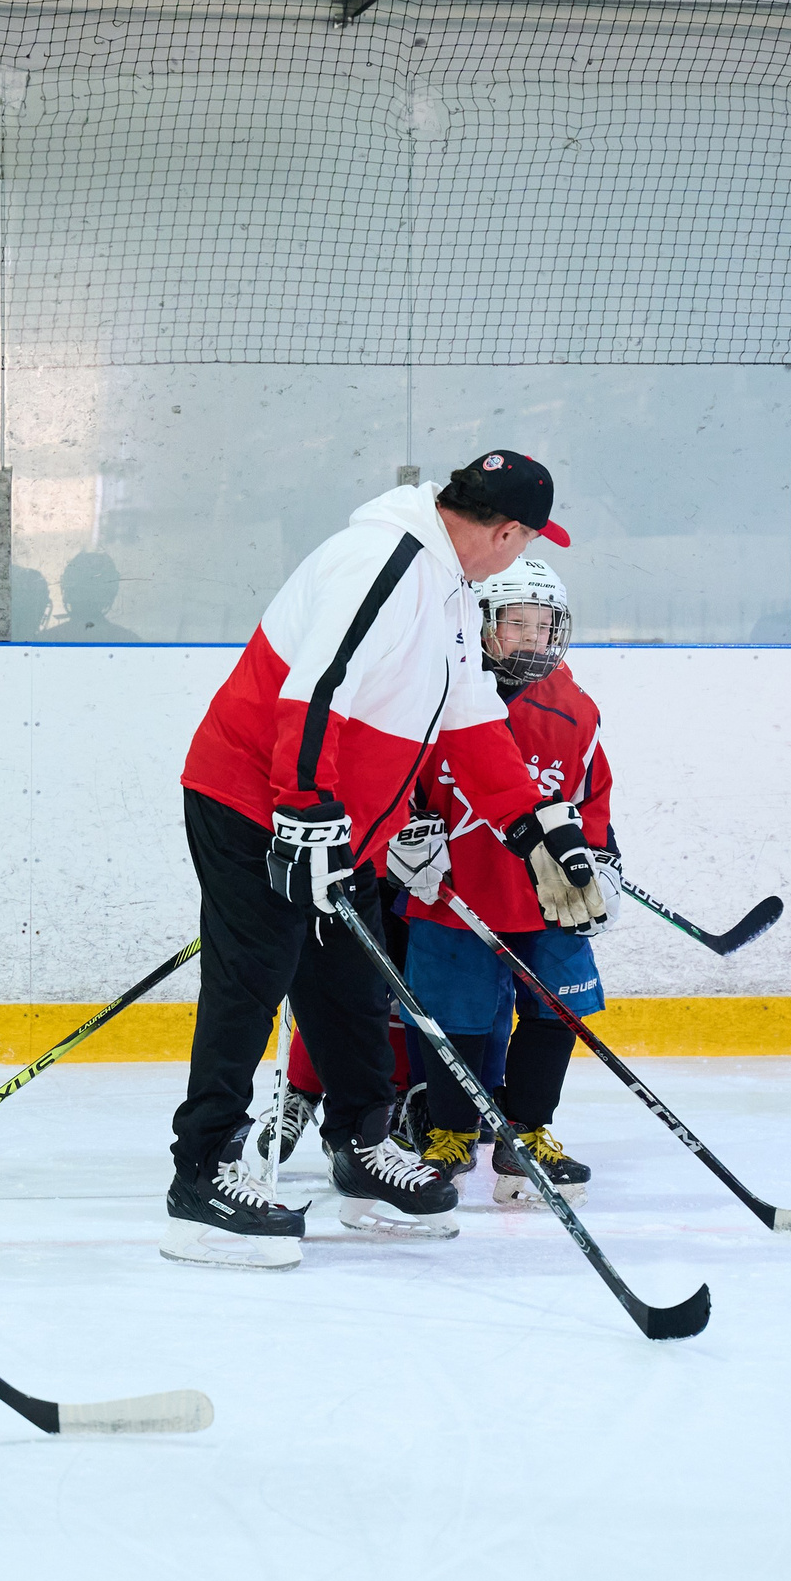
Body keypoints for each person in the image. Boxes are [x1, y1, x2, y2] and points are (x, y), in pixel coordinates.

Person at [165, 452, 613, 1269]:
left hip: (344, 823)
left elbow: (471, 713)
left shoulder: (445, 585)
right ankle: (204, 1172)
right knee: (253, 977)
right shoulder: (387, 560)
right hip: (258, 804)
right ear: (507, 531)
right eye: (526, 542)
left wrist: (531, 825)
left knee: (350, 986)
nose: (519, 555)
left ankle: (363, 1147)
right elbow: (317, 689)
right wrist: (303, 810)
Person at [387, 557, 616, 1204]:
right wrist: (405, 834)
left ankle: (528, 1131)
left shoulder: (575, 708)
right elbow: (396, 782)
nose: (533, 637)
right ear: (483, 625)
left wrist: (601, 858)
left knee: (558, 1007)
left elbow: (590, 795)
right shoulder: (436, 692)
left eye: (544, 624)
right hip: (453, 890)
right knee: (453, 1013)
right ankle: (452, 1133)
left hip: (547, 896)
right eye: (517, 622)